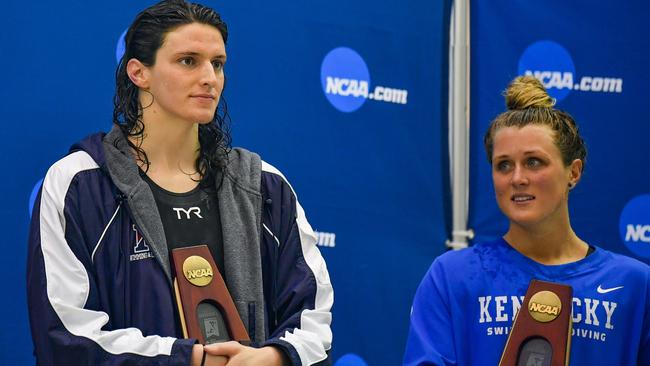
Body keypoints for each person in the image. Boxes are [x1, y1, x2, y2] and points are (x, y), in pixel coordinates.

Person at [26, 1, 333, 365]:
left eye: (217, 64)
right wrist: (188, 359)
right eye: (188, 61)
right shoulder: (79, 183)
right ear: (139, 72)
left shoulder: (265, 186)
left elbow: (314, 320)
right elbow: (64, 334)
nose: (209, 78)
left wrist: (274, 357)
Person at [403, 76, 649, 365]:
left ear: (574, 172)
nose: (518, 178)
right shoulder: (452, 276)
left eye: (534, 162)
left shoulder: (634, 285)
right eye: (503, 165)